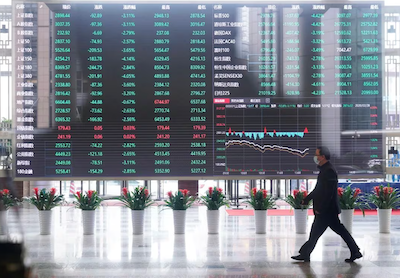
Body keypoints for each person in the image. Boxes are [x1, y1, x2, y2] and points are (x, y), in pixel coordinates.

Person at [291, 146, 362, 263]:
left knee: (317, 233)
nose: (315, 157)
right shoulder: (325, 169)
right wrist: (307, 198)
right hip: (327, 210)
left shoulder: (329, 170)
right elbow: (319, 189)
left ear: (323, 157)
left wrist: (321, 208)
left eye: (317, 155)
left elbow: (329, 193)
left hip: (327, 211)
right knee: (319, 232)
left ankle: (305, 254)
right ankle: (355, 251)